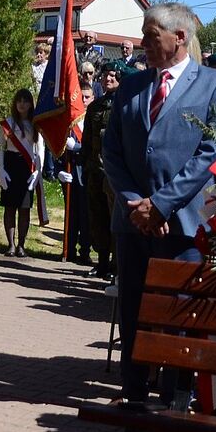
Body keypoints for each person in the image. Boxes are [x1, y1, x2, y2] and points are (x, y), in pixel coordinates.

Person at [103, 2, 216, 404]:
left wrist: (160, 205)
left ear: (179, 38)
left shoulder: (215, 84)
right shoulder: (130, 86)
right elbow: (112, 153)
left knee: (179, 315)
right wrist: (134, 204)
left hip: (182, 228)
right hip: (133, 225)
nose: (142, 43)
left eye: (150, 35)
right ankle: (135, 393)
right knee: (134, 312)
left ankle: (175, 399)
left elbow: (210, 153)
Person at [82, 61, 131, 279]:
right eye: (105, 76)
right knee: (97, 216)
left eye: (113, 76)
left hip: (115, 174)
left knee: (115, 219)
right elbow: (86, 140)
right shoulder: (94, 106)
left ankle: (115, 264)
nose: (108, 79)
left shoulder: (126, 106)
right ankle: (101, 261)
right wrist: (85, 163)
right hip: (95, 169)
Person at [0, 88, 42, 257]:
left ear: (31, 104)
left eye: (26, 101)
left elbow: (40, 149)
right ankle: (10, 244)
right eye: (19, 101)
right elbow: (0, 148)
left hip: (27, 167)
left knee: (24, 208)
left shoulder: (36, 124)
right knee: (9, 207)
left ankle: (21, 245)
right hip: (11, 165)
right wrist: (0, 169)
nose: (22, 104)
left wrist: (38, 170)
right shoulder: (7, 124)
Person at [59, 82, 95, 265]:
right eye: (80, 97)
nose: (84, 100)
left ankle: (85, 251)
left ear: (93, 98)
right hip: (71, 169)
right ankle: (68, 249)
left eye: (87, 97)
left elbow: (96, 147)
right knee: (71, 213)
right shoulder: (70, 120)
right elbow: (56, 147)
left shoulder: (95, 118)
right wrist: (59, 170)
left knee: (86, 214)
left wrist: (78, 147)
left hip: (88, 170)